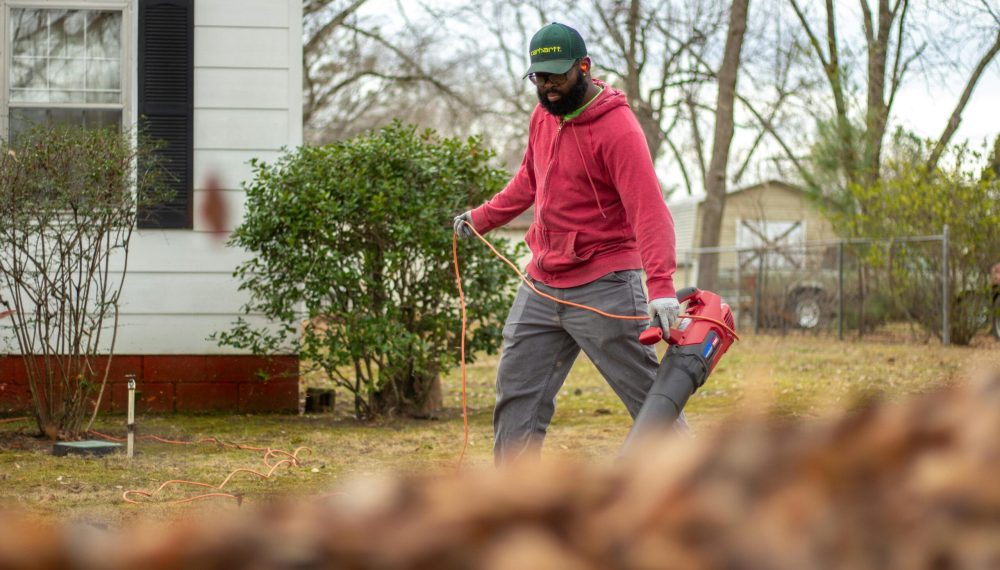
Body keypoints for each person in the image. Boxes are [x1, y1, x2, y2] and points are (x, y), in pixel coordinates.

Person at [453, 22, 682, 464]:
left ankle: (696, 488)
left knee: (651, 400)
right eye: (539, 77)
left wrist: (662, 288)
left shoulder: (618, 129)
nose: (548, 86)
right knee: (516, 390)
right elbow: (528, 181)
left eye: (557, 75)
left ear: (584, 66)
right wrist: (482, 218)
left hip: (605, 283)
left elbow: (649, 210)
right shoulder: (543, 115)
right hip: (542, 282)